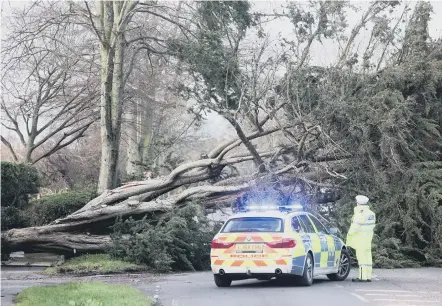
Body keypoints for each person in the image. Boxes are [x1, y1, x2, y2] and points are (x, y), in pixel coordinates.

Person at [346, 195, 376, 282]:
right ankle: (368, 276)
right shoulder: (371, 214)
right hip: (368, 239)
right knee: (368, 258)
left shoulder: (360, 214)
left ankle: (362, 277)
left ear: (358, 203)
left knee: (361, 258)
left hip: (360, 239)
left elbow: (355, 227)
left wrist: (349, 233)